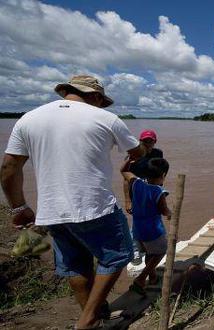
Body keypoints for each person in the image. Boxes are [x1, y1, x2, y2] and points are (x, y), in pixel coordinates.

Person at [1, 75, 142, 329]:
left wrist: (19, 207)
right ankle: (87, 321)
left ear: (67, 91)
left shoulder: (28, 119)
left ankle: (94, 315)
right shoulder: (106, 119)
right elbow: (136, 152)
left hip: (51, 212)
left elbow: (9, 168)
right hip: (96, 206)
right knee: (118, 256)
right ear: (97, 97)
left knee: (75, 265)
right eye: (101, 102)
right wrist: (137, 152)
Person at [121, 158, 171, 295]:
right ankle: (141, 279)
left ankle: (153, 277)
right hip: (153, 231)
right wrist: (170, 214)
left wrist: (129, 160)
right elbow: (163, 210)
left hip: (137, 229)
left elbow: (124, 171)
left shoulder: (136, 183)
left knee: (150, 253)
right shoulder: (158, 191)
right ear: (163, 175)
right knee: (160, 252)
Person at [123, 129, 163, 265]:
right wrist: (128, 201)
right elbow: (126, 178)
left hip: (152, 192)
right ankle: (135, 250)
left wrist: (159, 188)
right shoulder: (134, 154)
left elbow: (161, 171)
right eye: (144, 140)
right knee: (137, 221)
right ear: (140, 141)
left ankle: (149, 249)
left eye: (150, 140)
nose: (147, 143)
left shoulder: (158, 153)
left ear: (154, 141)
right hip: (137, 192)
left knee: (153, 219)